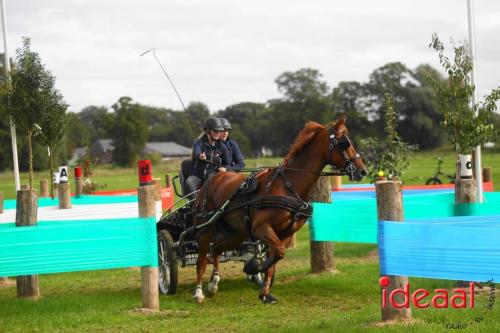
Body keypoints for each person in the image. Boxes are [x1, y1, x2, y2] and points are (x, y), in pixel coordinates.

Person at [185, 117, 230, 197]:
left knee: (212, 182)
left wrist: (225, 168)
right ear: (207, 131)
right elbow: (196, 153)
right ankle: (195, 205)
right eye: (215, 131)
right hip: (198, 175)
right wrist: (200, 156)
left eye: (219, 131)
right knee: (189, 181)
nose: (218, 134)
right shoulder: (199, 143)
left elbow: (227, 164)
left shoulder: (222, 147)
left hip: (213, 174)